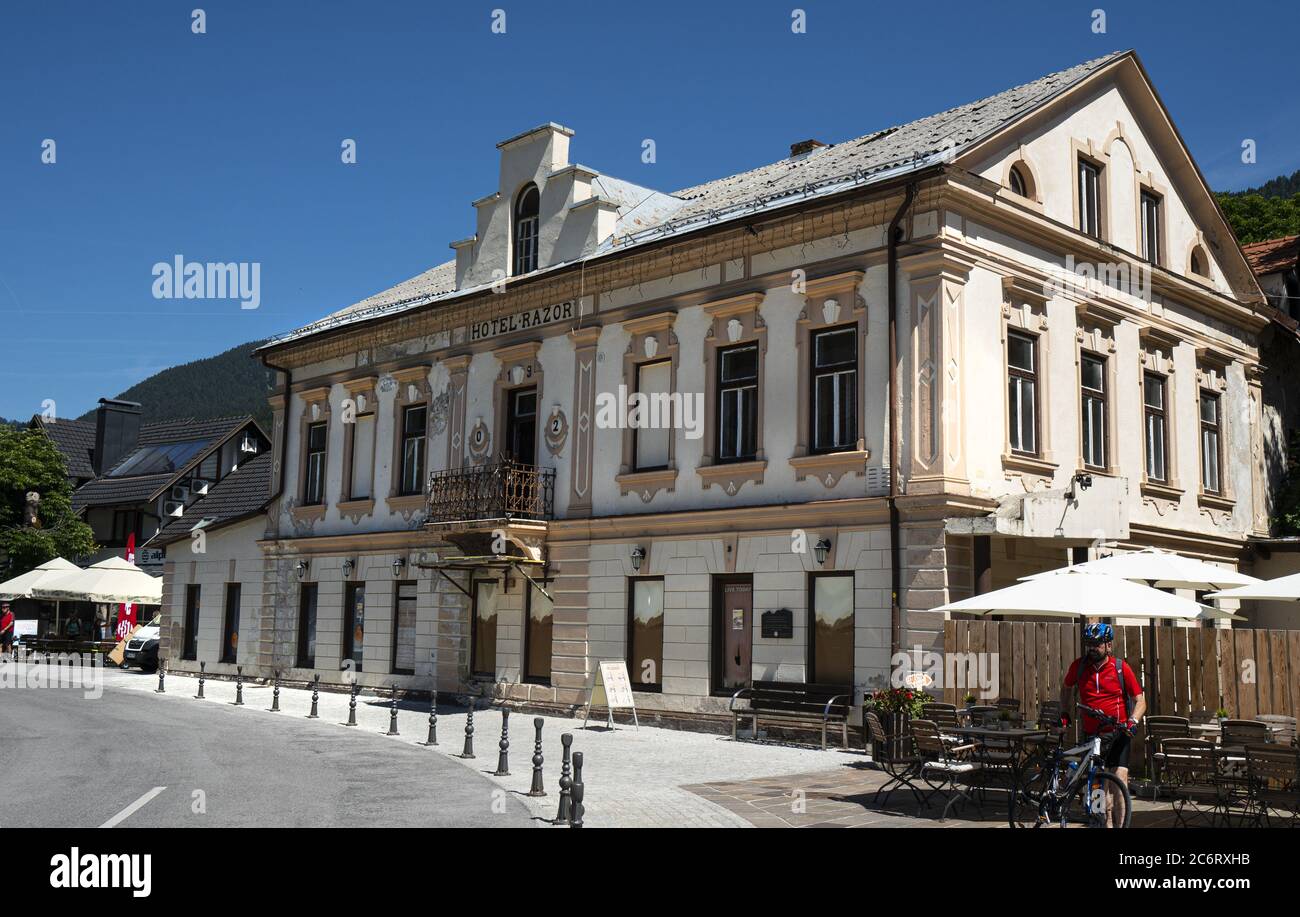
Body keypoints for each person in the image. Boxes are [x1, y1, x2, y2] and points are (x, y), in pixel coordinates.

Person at [1060, 622, 1146, 826]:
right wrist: (1064, 713)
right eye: (1089, 643)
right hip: (1092, 734)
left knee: (1120, 779)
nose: (1092, 647)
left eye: (1097, 644)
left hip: (1119, 732)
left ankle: (1121, 824)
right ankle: (1103, 823)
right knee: (1098, 784)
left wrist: (1133, 720)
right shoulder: (1079, 666)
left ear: (1108, 645)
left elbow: (1140, 700)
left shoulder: (1119, 667)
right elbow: (1066, 689)